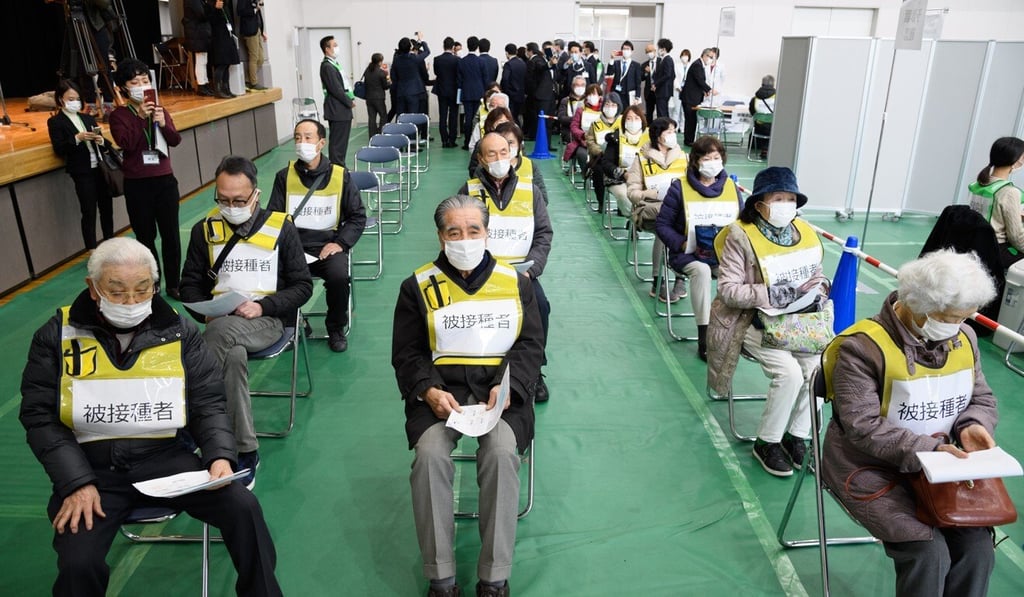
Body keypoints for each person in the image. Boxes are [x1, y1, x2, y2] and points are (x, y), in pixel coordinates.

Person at [19, 237, 283, 597]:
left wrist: (220, 455)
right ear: (93, 288)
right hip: (92, 472)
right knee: (79, 564)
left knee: (244, 508)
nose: (132, 302)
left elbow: (208, 402)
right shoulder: (57, 335)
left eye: (143, 290)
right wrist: (75, 482)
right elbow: (39, 416)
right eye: (117, 291)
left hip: (166, 461)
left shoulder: (179, 330)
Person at [821, 249, 999, 597]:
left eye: (965, 317)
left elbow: (981, 397)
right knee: (928, 552)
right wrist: (933, 449)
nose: (958, 326)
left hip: (942, 466)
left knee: (978, 549)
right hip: (869, 466)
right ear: (918, 305)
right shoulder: (861, 348)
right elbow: (863, 427)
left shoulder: (964, 339)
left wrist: (972, 425)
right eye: (951, 317)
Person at [391, 195, 544, 597]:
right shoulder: (419, 286)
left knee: (499, 453)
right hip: (443, 397)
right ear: (441, 237)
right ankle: (440, 577)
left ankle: (494, 577)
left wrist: (508, 385)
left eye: (473, 230)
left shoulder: (515, 283)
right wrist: (427, 390)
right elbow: (407, 352)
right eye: (454, 232)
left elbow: (531, 345)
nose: (465, 239)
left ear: (487, 232)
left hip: (501, 397)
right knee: (429, 456)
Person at [179, 156, 313, 488]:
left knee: (216, 336)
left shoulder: (281, 228)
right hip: (219, 322)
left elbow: (302, 286)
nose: (231, 206)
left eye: (239, 200)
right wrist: (205, 311)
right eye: (223, 200)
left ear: (256, 194)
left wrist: (264, 306)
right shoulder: (205, 231)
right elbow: (189, 285)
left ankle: (189, 427)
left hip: (267, 321)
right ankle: (243, 449)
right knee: (231, 353)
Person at [707, 166, 829, 477]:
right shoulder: (740, 236)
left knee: (819, 371)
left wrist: (818, 289)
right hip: (752, 321)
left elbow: (817, 274)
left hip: (799, 322)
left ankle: (797, 436)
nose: (786, 205)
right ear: (760, 202)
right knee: (788, 374)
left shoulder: (805, 233)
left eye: (791, 199)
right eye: (778, 198)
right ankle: (767, 442)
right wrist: (774, 294)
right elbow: (728, 290)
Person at [460, 133, 553, 402]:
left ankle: (534, 371)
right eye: (492, 154)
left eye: (505, 151)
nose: (500, 159)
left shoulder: (529, 190)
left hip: (521, 273)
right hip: (480, 275)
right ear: (480, 158)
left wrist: (530, 271)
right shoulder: (469, 192)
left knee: (540, 305)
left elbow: (544, 234)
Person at [268, 119, 366, 353]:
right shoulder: (284, 177)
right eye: (298, 137)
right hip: (294, 249)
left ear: (321, 142)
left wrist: (339, 243)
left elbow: (357, 216)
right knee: (276, 274)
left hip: (327, 247)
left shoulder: (341, 176)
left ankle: (335, 328)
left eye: (308, 137)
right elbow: (273, 217)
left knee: (339, 276)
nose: (302, 142)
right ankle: (294, 325)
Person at [656, 135, 743, 360]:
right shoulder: (680, 188)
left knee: (738, 274)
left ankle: (733, 330)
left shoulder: (732, 188)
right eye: (707, 157)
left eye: (716, 157)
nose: (713, 162)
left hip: (722, 255)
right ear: (696, 160)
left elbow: (744, 223)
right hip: (688, 254)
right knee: (702, 272)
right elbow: (662, 225)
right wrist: (681, 243)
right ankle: (704, 337)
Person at [109, 58, 183, 300]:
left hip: (164, 180)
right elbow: (126, 144)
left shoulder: (160, 110)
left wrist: (162, 123)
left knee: (171, 234)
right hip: (138, 184)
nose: (141, 85)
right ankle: (153, 280)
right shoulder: (119, 115)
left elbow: (174, 140)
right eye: (135, 82)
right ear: (124, 88)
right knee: (145, 237)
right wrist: (140, 117)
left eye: (145, 80)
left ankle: (174, 282)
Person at [47, 79, 115, 251]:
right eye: (70, 98)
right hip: (82, 172)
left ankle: (110, 242)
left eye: (77, 98)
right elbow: (60, 148)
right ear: (61, 99)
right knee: (89, 211)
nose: (75, 102)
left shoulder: (87, 117)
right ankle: (92, 249)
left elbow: (106, 144)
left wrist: (100, 140)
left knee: (106, 208)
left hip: (100, 168)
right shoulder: (56, 122)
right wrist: (78, 138)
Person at [625, 117, 688, 300]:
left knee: (670, 225)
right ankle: (659, 279)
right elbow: (632, 191)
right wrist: (647, 194)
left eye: (674, 131)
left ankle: (676, 277)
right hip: (648, 209)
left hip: (677, 213)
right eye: (668, 132)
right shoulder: (642, 159)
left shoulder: (684, 158)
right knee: (665, 220)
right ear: (657, 135)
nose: (672, 135)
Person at [968, 137, 1024, 269]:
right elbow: (1016, 238)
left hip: (974, 246)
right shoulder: (1010, 192)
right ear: (1015, 162)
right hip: (996, 250)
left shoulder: (976, 185)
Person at [320, 35, 356, 167]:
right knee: (337, 143)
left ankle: (340, 167)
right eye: (334, 45)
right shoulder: (327, 67)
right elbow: (336, 89)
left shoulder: (334, 65)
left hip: (342, 110)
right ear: (327, 49)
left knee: (342, 142)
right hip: (337, 110)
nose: (337, 48)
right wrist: (349, 101)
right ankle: (337, 169)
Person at [606, 105, 648, 218]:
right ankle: (634, 220)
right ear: (624, 121)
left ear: (642, 121)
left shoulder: (649, 138)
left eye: (636, 118)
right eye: (629, 119)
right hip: (619, 179)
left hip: (644, 179)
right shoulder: (615, 138)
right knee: (623, 195)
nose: (633, 121)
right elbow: (606, 163)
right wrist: (623, 174)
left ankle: (639, 220)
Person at [584, 92, 623, 213]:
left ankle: (622, 205)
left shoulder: (623, 123)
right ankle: (601, 202)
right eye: (607, 104)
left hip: (620, 159)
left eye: (613, 105)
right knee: (598, 172)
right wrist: (601, 152)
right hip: (600, 158)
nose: (610, 107)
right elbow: (590, 141)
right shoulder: (596, 124)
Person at [495, 121, 548, 205]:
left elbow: (543, 200)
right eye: (502, 141)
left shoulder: (530, 166)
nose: (506, 147)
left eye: (510, 142)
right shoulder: (486, 167)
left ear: (519, 145)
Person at [565, 83, 604, 176]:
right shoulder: (581, 110)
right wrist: (582, 135)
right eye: (589, 94)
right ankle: (586, 173)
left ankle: (598, 175)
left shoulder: (604, 110)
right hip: (583, 141)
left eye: (594, 94)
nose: (592, 97)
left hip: (601, 142)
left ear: (600, 96)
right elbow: (574, 126)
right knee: (581, 154)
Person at [680, 49, 714, 147]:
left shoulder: (700, 65)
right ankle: (689, 140)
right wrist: (709, 90)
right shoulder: (697, 65)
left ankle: (690, 139)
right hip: (690, 98)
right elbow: (700, 80)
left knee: (692, 119)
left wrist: (704, 91)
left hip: (693, 97)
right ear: (704, 55)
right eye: (710, 57)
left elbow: (697, 83)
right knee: (690, 120)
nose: (711, 59)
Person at [459, 36, 487, 150]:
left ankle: (467, 142)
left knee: (468, 118)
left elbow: (459, 79)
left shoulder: (462, 61)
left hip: (467, 93)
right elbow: (485, 78)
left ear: (467, 45)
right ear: (477, 47)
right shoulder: (481, 61)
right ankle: (479, 142)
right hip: (479, 92)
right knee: (480, 118)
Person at [432, 37, 461, 148]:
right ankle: (452, 140)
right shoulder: (457, 60)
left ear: (443, 46)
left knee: (442, 116)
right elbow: (459, 75)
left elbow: (436, 72)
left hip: (441, 90)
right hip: (454, 91)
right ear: (453, 47)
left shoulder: (437, 59)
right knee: (453, 116)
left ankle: (444, 140)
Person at [209, 0, 241, 99]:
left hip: (227, 36)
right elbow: (210, 19)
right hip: (219, 38)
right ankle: (218, 90)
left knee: (227, 63)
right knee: (221, 64)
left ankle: (226, 88)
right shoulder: (211, 4)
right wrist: (216, 9)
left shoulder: (225, 5)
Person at [183, 0, 216, 96]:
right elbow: (202, 15)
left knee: (203, 60)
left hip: (199, 34)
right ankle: (201, 85)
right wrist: (210, 7)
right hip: (197, 34)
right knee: (201, 60)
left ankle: (205, 83)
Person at [524, 42, 555, 144]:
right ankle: (545, 143)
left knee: (545, 120)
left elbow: (541, 68)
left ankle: (546, 143)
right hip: (545, 94)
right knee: (545, 120)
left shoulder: (535, 60)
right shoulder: (540, 59)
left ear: (530, 51)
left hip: (542, 94)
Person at [238, 0, 267, 90]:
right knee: (254, 57)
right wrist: (254, 9)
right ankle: (253, 83)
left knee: (261, 59)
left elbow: (259, 15)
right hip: (250, 30)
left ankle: (247, 79)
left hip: (257, 29)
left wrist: (262, 31)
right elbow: (240, 11)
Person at [363, 53, 391, 139]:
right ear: (380, 62)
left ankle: (372, 137)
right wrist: (389, 82)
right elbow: (385, 86)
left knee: (371, 118)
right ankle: (381, 134)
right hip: (379, 98)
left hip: (369, 97)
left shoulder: (367, 71)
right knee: (383, 116)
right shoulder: (382, 72)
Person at [748, 74, 776, 158]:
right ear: (773, 84)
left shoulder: (754, 99)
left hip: (758, 128)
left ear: (762, 84)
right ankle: (767, 149)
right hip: (773, 129)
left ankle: (760, 148)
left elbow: (752, 113)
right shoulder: (778, 97)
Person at [557, 75, 587, 150]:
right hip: (569, 130)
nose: (580, 87)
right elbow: (561, 118)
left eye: (582, 85)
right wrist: (576, 119)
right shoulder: (565, 100)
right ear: (573, 86)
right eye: (577, 85)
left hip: (586, 130)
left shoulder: (588, 101)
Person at [501, 43, 527, 125]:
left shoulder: (508, 64)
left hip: (510, 94)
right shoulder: (523, 63)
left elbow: (505, 79)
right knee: (517, 115)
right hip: (521, 94)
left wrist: (504, 91)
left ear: (506, 53)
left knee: (511, 116)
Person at [609, 41, 642, 106]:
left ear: (632, 51)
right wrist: (612, 59)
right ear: (621, 51)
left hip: (629, 94)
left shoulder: (636, 65)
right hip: (616, 93)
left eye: (628, 49)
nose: (626, 51)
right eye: (624, 49)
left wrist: (637, 97)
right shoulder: (616, 63)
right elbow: (609, 72)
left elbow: (638, 82)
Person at [651, 38, 675, 119]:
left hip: (663, 91)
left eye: (659, 48)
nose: (658, 50)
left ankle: (664, 128)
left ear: (664, 49)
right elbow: (673, 75)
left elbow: (667, 75)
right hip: (664, 90)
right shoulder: (665, 60)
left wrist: (656, 84)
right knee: (663, 111)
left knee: (662, 112)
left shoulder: (667, 60)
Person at [642, 43, 658, 118]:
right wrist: (646, 72)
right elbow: (641, 78)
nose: (649, 53)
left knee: (659, 111)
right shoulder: (644, 64)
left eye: (650, 51)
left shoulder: (661, 62)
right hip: (649, 92)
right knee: (649, 113)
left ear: (655, 51)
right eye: (647, 52)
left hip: (659, 91)